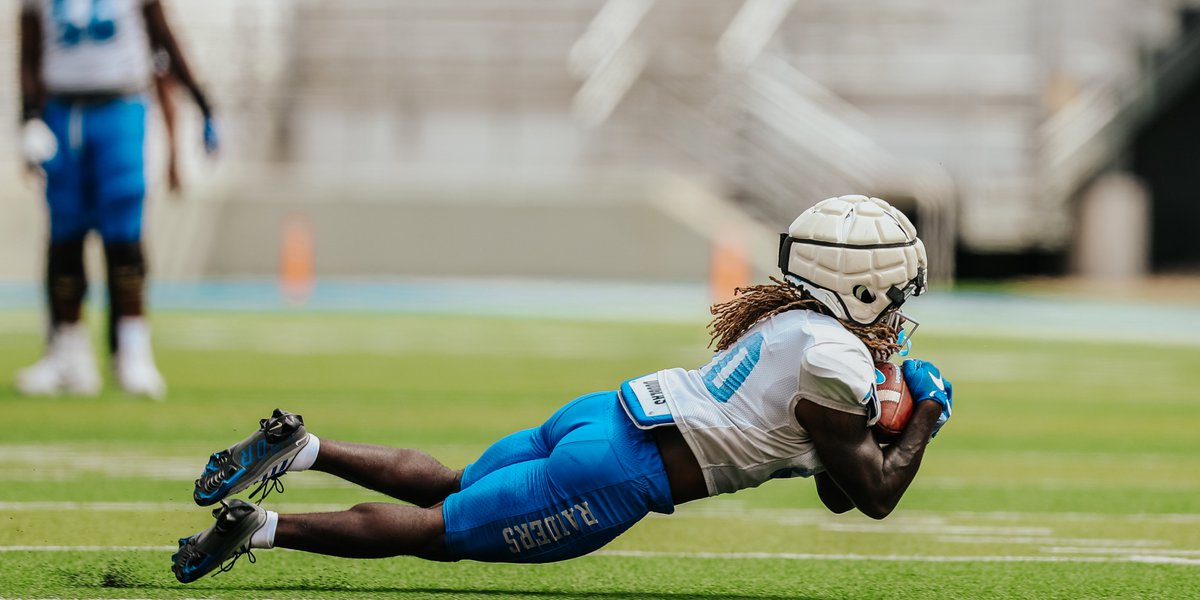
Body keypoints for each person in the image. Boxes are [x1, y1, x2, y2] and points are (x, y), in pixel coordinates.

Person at [171, 195, 954, 583]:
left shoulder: (786, 321)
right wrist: (928, 416)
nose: (902, 299)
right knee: (433, 531)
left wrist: (889, 418)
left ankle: (300, 445)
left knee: (452, 483)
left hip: (601, 416)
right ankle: (263, 527)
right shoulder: (837, 362)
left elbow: (838, 486)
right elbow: (874, 496)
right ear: (865, 286)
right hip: (618, 474)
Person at [16, 0, 217, 399]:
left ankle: (133, 352)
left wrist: (203, 104)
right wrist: (28, 117)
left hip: (120, 106)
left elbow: (164, 38)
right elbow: (29, 51)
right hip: (62, 110)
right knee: (65, 233)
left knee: (124, 230)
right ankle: (68, 353)